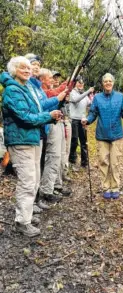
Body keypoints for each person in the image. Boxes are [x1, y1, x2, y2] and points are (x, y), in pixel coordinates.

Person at [0, 56, 62, 237]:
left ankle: (26, 214)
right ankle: (22, 221)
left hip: (32, 139)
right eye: (22, 68)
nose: (27, 71)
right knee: (27, 181)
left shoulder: (26, 88)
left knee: (34, 180)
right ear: (14, 71)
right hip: (20, 141)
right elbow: (25, 117)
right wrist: (47, 116)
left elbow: (37, 110)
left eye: (28, 68)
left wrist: (51, 114)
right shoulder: (12, 90)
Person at [81, 73, 123, 199]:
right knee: (103, 161)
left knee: (115, 162)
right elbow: (93, 113)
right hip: (102, 135)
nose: (107, 83)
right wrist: (87, 121)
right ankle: (106, 187)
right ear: (102, 83)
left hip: (117, 135)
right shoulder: (97, 98)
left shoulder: (120, 97)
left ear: (113, 82)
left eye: (110, 81)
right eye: (105, 81)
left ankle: (115, 186)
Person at [38, 68, 71, 202]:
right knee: (53, 156)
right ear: (42, 80)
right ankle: (46, 190)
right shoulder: (42, 92)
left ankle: (56, 184)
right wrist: (67, 84)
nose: (53, 80)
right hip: (50, 125)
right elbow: (53, 94)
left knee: (60, 155)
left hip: (58, 123)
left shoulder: (46, 90)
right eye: (50, 78)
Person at [69, 76, 94, 168]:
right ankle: (72, 161)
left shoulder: (84, 95)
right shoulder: (72, 92)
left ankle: (85, 163)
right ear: (75, 83)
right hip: (74, 120)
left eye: (82, 83)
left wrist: (93, 97)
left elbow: (90, 103)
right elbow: (76, 100)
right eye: (79, 82)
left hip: (82, 120)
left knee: (84, 142)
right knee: (74, 141)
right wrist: (88, 91)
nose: (81, 84)